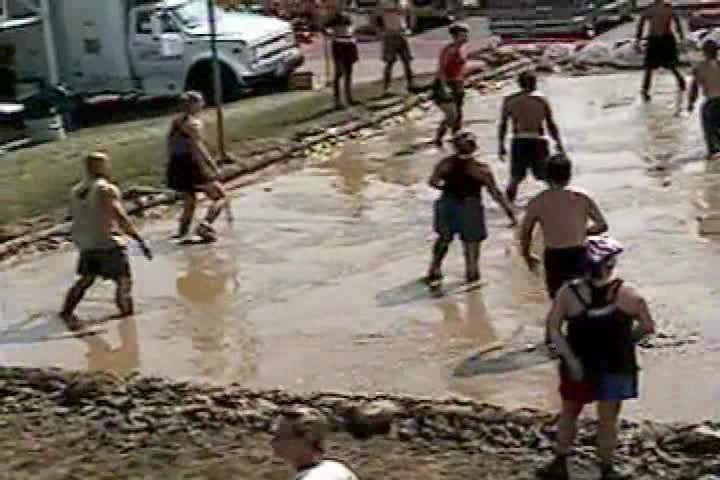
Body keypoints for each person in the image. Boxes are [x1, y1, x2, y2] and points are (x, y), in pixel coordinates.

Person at [538, 236, 655, 480]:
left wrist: (570, 359)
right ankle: (606, 468)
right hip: (616, 363)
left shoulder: (568, 293)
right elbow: (647, 326)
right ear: (610, 264)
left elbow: (554, 329)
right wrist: (627, 341)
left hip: (578, 364)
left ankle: (560, 462)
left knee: (570, 412)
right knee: (608, 419)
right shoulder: (629, 294)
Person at [61, 152, 153, 322]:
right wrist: (139, 240)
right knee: (124, 281)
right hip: (108, 242)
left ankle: (66, 312)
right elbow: (121, 218)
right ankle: (128, 320)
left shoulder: (76, 191)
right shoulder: (106, 189)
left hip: (86, 243)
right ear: (101, 167)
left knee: (86, 279)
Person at [426, 130, 517, 286]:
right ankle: (472, 278)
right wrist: (510, 213)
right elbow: (495, 193)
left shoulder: (445, 164)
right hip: (470, 207)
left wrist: (447, 189)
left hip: (447, 203)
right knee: (472, 246)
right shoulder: (481, 169)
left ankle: (435, 269)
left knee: (443, 239)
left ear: (454, 147)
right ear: (474, 148)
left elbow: (433, 182)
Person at [519, 154, 608, 300]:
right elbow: (602, 226)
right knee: (583, 297)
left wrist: (526, 255)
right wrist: (582, 232)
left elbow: (526, 232)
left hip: (554, 256)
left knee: (558, 298)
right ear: (569, 175)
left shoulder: (538, 201)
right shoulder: (582, 197)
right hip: (579, 253)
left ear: (546, 176)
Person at [166, 91, 228, 242]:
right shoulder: (193, 124)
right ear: (194, 104)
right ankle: (205, 225)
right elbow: (198, 148)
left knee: (190, 200)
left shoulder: (177, 122)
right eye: (200, 102)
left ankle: (182, 232)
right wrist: (213, 167)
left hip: (176, 164)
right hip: (191, 163)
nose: (203, 105)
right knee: (221, 197)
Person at [498, 71, 564, 204]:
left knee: (516, 177)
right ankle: (558, 201)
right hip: (538, 140)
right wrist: (558, 143)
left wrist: (501, 145)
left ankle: (507, 206)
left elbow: (503, 124)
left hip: (519, 140)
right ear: (534, 83)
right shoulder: (541, 100)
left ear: (519, 84)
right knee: (545, 175)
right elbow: (550, 124)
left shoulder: (510, 100)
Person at [271, 406, 360, 480]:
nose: (273, 443)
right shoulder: (336, 468)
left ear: (305, 440)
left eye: (280, 437)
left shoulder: (315, 477)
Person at [635, 0, 686, 103]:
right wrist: (638, 40)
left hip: (663, 39)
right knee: (652, 66)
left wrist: (638, 39)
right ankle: (645, 89)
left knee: (665, 64)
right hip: (658, 39)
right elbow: (641, 23)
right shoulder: (658, 8)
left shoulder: (663, 8)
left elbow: (641, 24)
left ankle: (680, 81)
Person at [432, 22, 469, 147]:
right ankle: (438, 139)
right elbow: (441, 70)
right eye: (462, 35)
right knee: (451, 115)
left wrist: (463, 82)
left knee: (458, 116)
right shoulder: (449, 50)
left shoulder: (462, 49)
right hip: (445, 84)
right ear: (455, 36)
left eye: (466, 35)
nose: (465, 38)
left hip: (458, 84)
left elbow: (460, 69)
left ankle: (456, 141)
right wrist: (444, 87)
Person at [375, 0, 416, 96]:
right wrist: (379, 31)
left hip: (402, 35)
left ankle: (411, 84)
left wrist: (410, 28)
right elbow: (375, 17)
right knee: (390, 62)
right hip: (389, 35)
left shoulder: (405, 2)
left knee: (407, 61)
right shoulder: (383, 3)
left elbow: (411, 15)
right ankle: (387, 88)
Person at [688, 39, 720, 159]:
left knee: (709, 129)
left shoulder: (700, 67)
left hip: (711, 103)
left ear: (704, 52)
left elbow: (694, 88)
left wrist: (691, 103)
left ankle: (713, 151)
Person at [325, 12, 358, 109]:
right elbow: (325, 28)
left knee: (348, 73)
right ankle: (337, 101)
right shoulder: (334, 19)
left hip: (349, 45)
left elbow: (352, 32)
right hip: (339, 46)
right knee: (339, 73)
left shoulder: (349, 19)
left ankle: (349, 98)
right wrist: (330, 33)